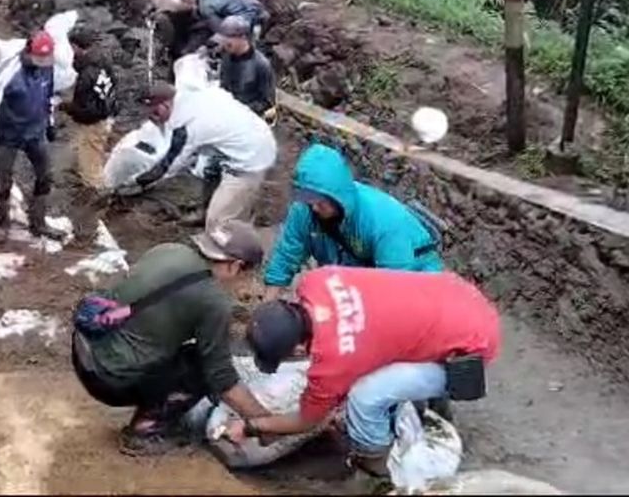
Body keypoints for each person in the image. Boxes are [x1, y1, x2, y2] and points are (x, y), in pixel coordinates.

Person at [225, 266, 501, 477]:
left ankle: (376, 463)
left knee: (365, 396)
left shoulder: (334, 359)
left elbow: (307, 420)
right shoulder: (318, 279)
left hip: (472, 344)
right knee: (375, 361)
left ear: (298, 349)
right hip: (457, 293)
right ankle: (412, 403)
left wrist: (253, 425)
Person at [72, 223, 274, 456]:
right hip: (108, 380)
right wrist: (263, 421)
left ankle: (150, 405)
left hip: (84, 349)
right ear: (235, 266)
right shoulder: (214, 302)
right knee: (202, 366)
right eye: (246, 275)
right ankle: (143, 432)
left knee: (179, 343)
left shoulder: (168, 250)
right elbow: (222, 378)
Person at [263, 143, 445, 300]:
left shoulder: (382, 222)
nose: (315, 208)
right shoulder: (305, 209)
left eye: (320, 202)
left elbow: (394, 286)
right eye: (310, 201)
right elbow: (287, 254)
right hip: (354, 269)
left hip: (414, 276)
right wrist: (266, 305)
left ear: (336, 196)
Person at [129, 83, 276, 233]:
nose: (154, 120)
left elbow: (172, 163)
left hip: (251, 155)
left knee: (218, 224)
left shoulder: (187, 125)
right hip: (232, 142)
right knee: (209, 171)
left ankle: (231, 240)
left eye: (155, 114)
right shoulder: (187, 96)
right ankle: (207, 211)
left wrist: (137, 182)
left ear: (166, 105)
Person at [0, 31, 65, 243]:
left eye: (45, 60)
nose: (41, 64)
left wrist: (50, 124)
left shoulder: (47, 68)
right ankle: (2, 222)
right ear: (28, 52)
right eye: (38, 59)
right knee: (4, 180)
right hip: (8, 135)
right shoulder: (7, 73)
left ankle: (38, 222)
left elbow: (48, 98)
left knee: (45, 175)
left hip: (35, 132)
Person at [157, 0, 270, 59]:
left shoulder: (205, 7)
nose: (183, 2)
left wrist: (207, 49)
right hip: (250, 7)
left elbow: (219, 29)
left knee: (225, 34)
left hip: (249, 14)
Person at [63, 27, 118, 190]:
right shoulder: (102, 59)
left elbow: (84, 110)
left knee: (90, 167)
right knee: (87, 146)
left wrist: (66, 107)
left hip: (94, 122)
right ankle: (81, 163)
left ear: (75, 46)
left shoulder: (86, 76)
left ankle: (98, 193)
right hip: (108, 110)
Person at [209, 16, 276, 119]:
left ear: (243, 37)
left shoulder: (261, 65)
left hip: (246, 118)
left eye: (228, 39)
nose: (224, 43)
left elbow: (267, 102)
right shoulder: (226, 55)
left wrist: (240, 109)